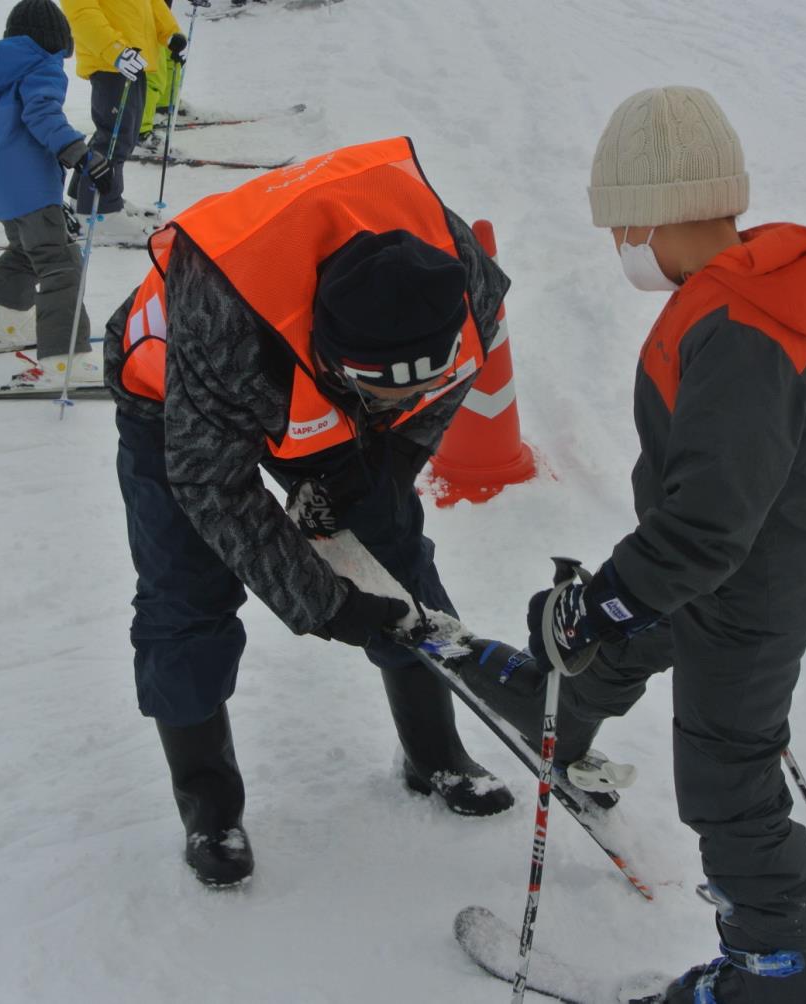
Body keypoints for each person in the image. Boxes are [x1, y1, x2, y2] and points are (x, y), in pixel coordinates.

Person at [454, 87, 806, 1002]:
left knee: (727, 781)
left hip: (748, 593)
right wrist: (609, 610)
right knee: (623, 637)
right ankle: (557, 704)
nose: (622, 250)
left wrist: (599, 598)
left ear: (658, 219)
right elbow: (710, 503)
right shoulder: (737, 292)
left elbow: (708, 521)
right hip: (739, 570)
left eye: (624, 230)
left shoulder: (739, 330)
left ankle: (771, 980)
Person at [105, 137, 517, 889]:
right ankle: (210, 807)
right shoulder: (223, 314)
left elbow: (460, 373)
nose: (397, 407)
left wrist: (385, 462)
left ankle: (435, 755)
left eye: (405, 395)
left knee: (397, 560)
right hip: (175, 394)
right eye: (378, 395)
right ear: (326, 351)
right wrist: (326, 603)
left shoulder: (464, 283)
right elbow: (213, 486)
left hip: (310, 385)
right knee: (184, 598)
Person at [0, 0, 111, 389]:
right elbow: (42, 114)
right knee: (60, 263)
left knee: (23, 250)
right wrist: (79, 154)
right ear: (57, 39)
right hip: (31, 188)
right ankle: (64, 360)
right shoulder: (42, 65)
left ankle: (7, 323)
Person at [61, 0, 180, 240]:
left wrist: (171, 34)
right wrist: (115, 50)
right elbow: (83, 13)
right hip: (112, 63)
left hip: (135, 59)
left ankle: (83, 198)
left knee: (124, 134)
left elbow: (152, 3)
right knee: (114, 138)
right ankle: (102, 211)